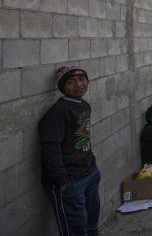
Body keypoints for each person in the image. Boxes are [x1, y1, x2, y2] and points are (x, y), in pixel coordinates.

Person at [39, 65, 101, 236]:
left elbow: (82, 139)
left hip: (89, 174)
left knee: (92, 226)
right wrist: (63, 182)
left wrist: (92, 165)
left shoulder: (85, 106)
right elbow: (51, 149)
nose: (78, 84)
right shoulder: (57, 113)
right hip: (70, 181)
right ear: (63, 88)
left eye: (81, 79)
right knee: (76, 231)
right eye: (71, 82)